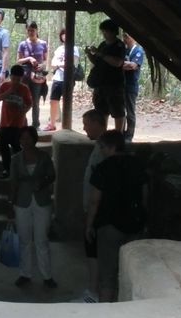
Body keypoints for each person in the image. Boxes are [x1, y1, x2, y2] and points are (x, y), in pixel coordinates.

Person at [85, 130, 148, 303]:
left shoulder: (103, 167)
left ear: (111, 147)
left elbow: (94, 201)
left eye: (103, 147)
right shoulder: (138, 165)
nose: (101, 151)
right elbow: (145, 194)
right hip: (134, 224)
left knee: (108, 274)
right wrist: (143, 217)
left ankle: (106, 312)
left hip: (109, 225)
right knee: (130, 272)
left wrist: (89, 225)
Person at [9, 125, 57, 289]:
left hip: (42, 200)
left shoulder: (44, 157)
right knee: (24, 240)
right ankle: (25, 274)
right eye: (22, 138)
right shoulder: (16, 159)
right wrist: (10, 203)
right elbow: (13, 182)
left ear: (34, 139)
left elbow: (52, 175)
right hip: (22, 201)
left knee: (41, 239)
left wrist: (42, 183)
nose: (25, 141)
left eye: (28, 138)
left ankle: (47, 276)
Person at [73, 109, 107, 303]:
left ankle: (94, 293)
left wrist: (90, 215)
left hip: (99, 210)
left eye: (86, 124)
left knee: (94, 251)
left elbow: (99, 188)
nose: (84, 128)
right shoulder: (99, 147)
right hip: (95, 208)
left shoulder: (103, 150)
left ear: (96, 123)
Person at [85, 18, 127, 132]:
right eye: (103, 31)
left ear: (113, 32)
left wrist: (100, 53)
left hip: (114, 85)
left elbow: (118, 63)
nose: (104, 34)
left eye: (106, 31)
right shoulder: (103, 44)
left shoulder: (119, 45)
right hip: (100, 84)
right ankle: (102, 134)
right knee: (101, 111)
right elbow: (97, 61)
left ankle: (118, 135)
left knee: (117, 111)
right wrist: (89, 54)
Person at [0, 64, 32, 179]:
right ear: (10, 76)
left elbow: (29, 104)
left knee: (16, 145)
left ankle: (20, 169)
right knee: (3, 145)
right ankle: (7, 169)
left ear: (22, 78)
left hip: (18, 123)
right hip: (5, 122)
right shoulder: (5, 86)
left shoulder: (24, 88)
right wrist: (10, 91)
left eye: (18, 79)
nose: (16, 81)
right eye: (14, 78)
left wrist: (24, 111)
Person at [15, 20, 49, 128]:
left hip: (37, 76)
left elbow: (45, 60)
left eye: (33, 30)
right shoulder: (22, 44)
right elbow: (18, 61)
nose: (31, 32)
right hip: (25, 76)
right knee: (22, 100)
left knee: (35, 101)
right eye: (29, 30)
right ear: (26, 30)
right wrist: (29, 58)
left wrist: (41, 66)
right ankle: (21, 123)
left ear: (36, 30)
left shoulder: (43, 44)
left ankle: (35, 125)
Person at [44, 27, 75, 132]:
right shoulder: (59, 49)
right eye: (63, 34)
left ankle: (66, 126)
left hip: (68, 79)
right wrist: (60, 64)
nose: (65, 36)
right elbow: (53, 63)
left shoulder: (74, 48)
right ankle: (52, 124)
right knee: (53, 101)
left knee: (67, 102)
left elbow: (73, 63)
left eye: (67, 33)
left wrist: (59, 64)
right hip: (57, 78)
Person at [122, 32, 145, 142]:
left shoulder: (138, 51)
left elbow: (132, 66)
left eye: (126, 36)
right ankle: (121, 133)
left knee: (130, 112)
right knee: (121, 111)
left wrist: (119, 64)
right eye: (124, 36)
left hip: (131, 86)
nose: (124, 38)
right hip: (122, 85)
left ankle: (129, 136)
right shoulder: (125, 51)